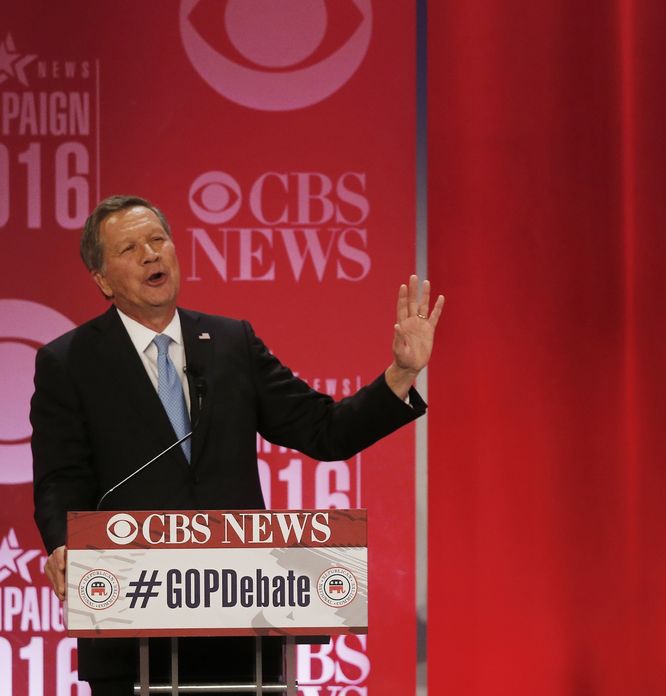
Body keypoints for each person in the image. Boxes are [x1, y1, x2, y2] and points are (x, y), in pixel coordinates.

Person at [31, 195, 444, 695]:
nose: (151, 255)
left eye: (159, 240)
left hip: (240, 628)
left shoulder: (229, 342)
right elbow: (61, 478)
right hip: (128, 630)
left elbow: (323, 430)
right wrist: (63, 545)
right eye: (129, 248)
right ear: (101, 279)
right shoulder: (70, 362)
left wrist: (401, 373)